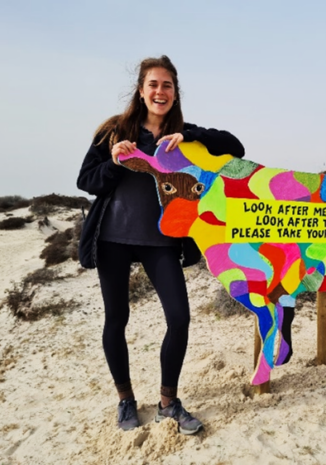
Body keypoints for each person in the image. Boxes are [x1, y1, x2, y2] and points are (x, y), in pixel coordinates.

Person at [76, 55, 245, 433]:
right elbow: (86, 181)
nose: (160, 91)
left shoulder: (183, 134)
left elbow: (236, 147)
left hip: (163, 240)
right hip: (113, 238)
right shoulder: (114, 130)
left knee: (180, 318)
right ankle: (125, 401)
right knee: (116, 319)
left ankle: (168, 402)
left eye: (167, 85)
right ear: (141, 90)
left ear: (175, 92)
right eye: (153, 84)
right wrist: (115, 161)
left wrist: (192, 137)